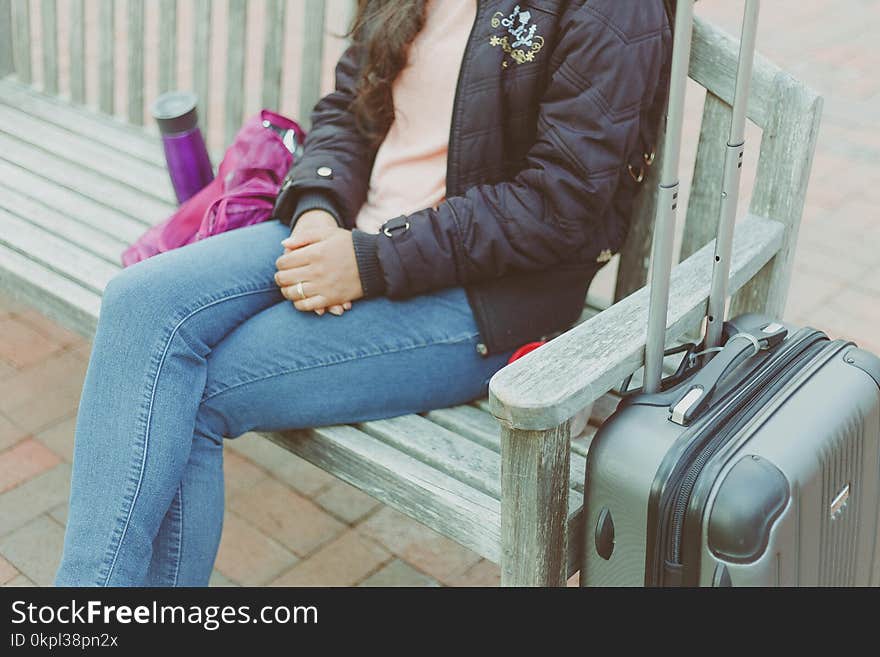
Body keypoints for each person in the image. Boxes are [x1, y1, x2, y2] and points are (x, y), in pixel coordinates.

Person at [55, 0, 672, 586]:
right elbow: (351, 105)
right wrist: (318, 209)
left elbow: (556, 208)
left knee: (191, 387)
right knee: (140, 302)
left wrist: (373, 261)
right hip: (347, 232)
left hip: (482, 295)